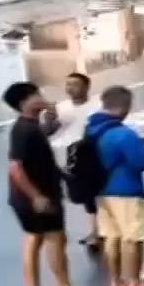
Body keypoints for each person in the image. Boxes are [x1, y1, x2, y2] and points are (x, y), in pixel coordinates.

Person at [4, 82, 93, 286]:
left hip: (24, 197)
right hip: (38, 195)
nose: (40, 96)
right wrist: (37, 196)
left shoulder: (28, 127)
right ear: (24, 102)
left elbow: (38, 143)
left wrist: (49, 119)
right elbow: (15, 167)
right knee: (56, 239)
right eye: (35, 94)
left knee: (33, 239)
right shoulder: (24, 130)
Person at [85, 86, 144, 286]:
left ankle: (115, 282)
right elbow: (140, 162)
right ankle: (135, 283)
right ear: (125, 107)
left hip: (101, 191)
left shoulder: (92, 130)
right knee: (133, 237)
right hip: (126, 191)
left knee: (111, 236)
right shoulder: (123, 134)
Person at [48, 72, 100, 249]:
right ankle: (97, 230)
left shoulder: (98, 105)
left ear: (87, 87)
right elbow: (48, 131)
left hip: (92, 153)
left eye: (75, 84)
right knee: (80, 195)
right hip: (68, 156)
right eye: (68, 84)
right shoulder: (61, 108)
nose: (70, 88)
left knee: (95, 194)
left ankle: (98, 231)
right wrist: (50, 118)